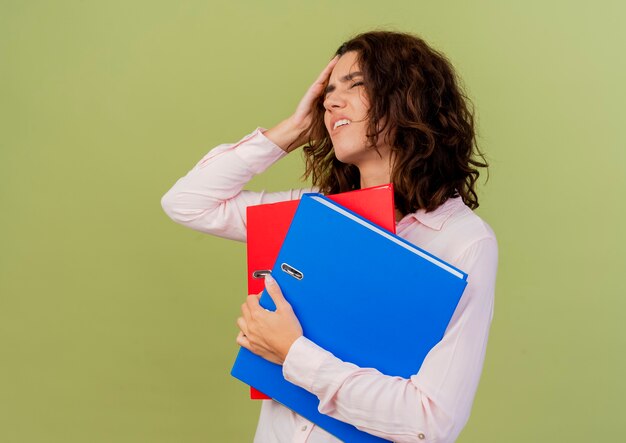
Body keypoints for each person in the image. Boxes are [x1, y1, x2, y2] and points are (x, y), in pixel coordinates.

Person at [161, 30, 498, 443]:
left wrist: (293, 354)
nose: (331, 101)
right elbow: (188, 202)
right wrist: (289, 131)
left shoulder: (463, 241)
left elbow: (429, 423)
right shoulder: (313, 213)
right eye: (328, 92)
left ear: (408, 98)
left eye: (355, 85)